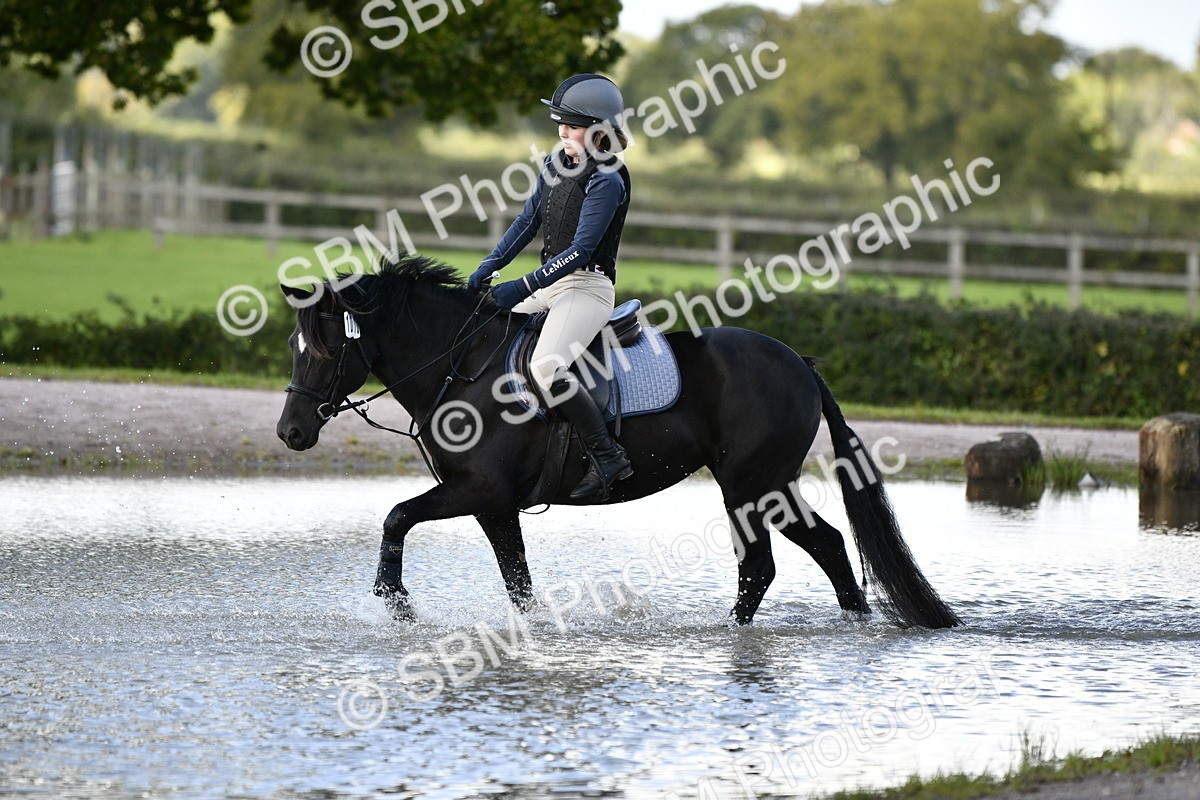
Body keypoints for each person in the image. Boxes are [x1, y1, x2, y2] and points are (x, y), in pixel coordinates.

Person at [467, 73, 633, 501]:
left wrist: (520, 286)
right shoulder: (554, 163)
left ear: (598, 130)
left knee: (545, 368)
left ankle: (607, 455)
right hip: (551, 286)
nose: (562, 131)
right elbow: (528, 223)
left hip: (586, 289)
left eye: (573, 125)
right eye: (561, 122)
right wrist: (490, 265)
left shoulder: (607, 178)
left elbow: (580, 251)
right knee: (483, 336)